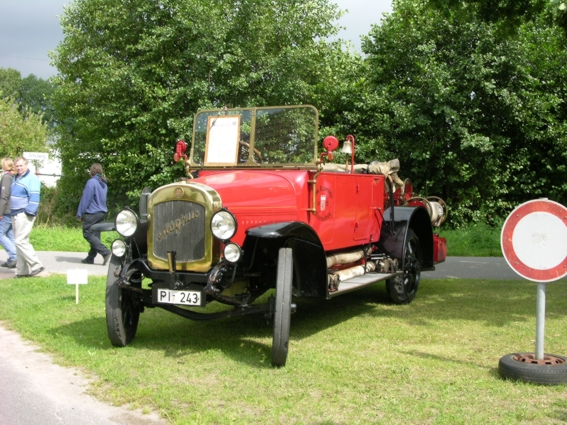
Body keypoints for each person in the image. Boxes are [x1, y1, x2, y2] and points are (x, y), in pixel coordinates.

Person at [11, 156, 44, 277]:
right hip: (14, 213)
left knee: (20, 241)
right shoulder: (16, 178)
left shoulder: (32, 178)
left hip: (24, 213)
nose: (19, 168)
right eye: (17, 166)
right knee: (19, 242)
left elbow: (35, 196)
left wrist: (29, 211)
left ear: (26, 165)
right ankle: (22, 271)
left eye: (21, 165)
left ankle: (36, 265)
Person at [76, 163, 111, 265]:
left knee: (87, 233)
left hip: (93, 212)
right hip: (102, 212)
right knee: (95, 234)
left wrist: (79, 213)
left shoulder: (91, 182)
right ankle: (90, 258)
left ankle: (105, 252)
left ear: (91, 171)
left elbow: (86, 199)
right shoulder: (103, 183)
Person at [0, 158, 17, 269]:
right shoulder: (13, 176)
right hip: (13, 210)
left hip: (6, 210)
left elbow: (4, 196)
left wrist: (0, 212)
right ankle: (15, 259)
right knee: (10, 235)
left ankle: (13, 256)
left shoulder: (6, 177)